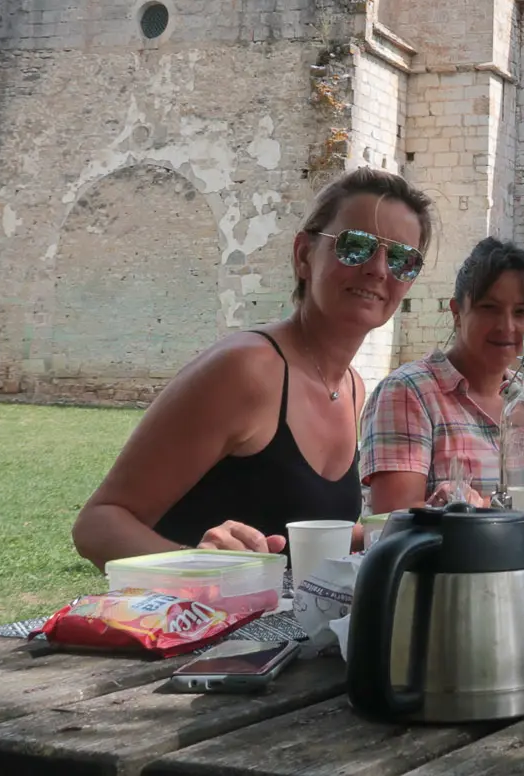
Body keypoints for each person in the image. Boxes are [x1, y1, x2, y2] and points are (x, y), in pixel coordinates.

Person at [71, 168, 433, 570]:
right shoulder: (247, 368)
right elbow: (98, 524)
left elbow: (296, 535)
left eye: (402, 259)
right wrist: (199, 566)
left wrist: (423, 524)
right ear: (303, 256)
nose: (379, 269)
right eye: (356, 246)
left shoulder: (350, 387)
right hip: (197, 624)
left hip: (277, 630)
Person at [362, 236, 524, 514]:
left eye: (521, 312)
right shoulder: (408, 392)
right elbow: (392, 519)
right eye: (489, 308)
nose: (507, 326)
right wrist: (519, 500)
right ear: (457, 313)